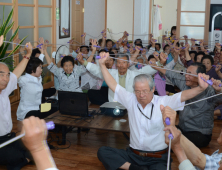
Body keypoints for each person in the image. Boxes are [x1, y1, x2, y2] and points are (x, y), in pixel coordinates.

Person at [96, 51, 210, 170]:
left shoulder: (163, 101)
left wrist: (201, 88)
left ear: (153, 89)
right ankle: (133, 168)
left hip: (157, 158)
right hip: (133, 155)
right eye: (137, 91)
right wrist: (102, 65)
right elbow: (113, 85)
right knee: (103, 152)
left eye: (145, 91)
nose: (141, 95)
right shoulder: (130, 99)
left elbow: (183, 95)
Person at [153, 60, 222, 148]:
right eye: (186, 73)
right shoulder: (185, 84)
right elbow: (172, 74)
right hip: (183, 129)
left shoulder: (210, 90)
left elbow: (220, 97)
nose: (186, 76)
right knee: (161, 133)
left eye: (190, 73)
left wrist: (219, 90)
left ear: (199, 76)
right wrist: (155, 66)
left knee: (172, 140)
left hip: (200, 134)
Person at [161, 86, 222, 170]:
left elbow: (199, 159)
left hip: (200, 135)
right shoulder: (218, 154)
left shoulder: (219, 160)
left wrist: (172, 129)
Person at [0, 36, 34, 170]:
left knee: (34, 149)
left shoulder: (5, 89)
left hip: (9, 137)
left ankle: (22, 159)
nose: (6, 79)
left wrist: (28, 54)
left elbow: (16, 73)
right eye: (2, 74)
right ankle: (21, 159)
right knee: (16, 157)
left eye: (7, 75)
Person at [77, 50, 157, 102]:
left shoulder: (133, 74)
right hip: (113, 104)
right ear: (116, 64)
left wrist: (159, 64)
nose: (121, 65)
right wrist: (82, 61)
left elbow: (146, 71)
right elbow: (97, 70)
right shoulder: (111, 73)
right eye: (119, 63)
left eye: (124, 63)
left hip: (130, 104)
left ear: (128, 64)